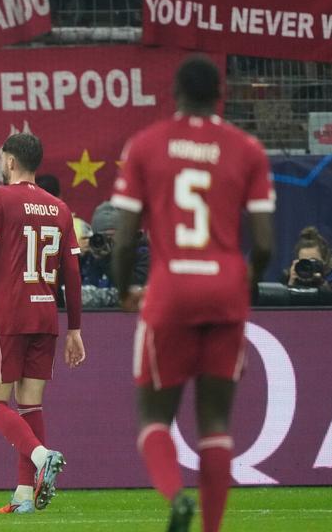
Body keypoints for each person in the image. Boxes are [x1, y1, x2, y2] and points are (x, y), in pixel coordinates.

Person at [110, 54, 275, 532]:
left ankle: (175, 496)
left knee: (154, 417)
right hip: (224, 289)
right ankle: (211, 529)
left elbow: (123, 239)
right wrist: (244, 280)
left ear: (175, 94)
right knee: (216, 422)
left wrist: (125, 291)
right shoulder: (247, 149)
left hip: (171, 288)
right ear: (220, 95)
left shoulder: (146, 146)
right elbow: (264, 242)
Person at [0, 132, 85, 515]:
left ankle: (42, 457)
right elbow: (72, 273)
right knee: (30, 405)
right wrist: (74, 327)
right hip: (46, 315)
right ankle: (25, 494)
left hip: (9, 313)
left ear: (9, 161)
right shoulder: (60, 208)